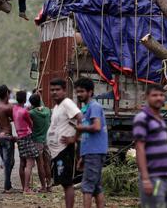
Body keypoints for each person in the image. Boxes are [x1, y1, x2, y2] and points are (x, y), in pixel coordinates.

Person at [134, 84, 167, 208]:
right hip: (152, 178)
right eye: (154, 95)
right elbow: (139, 148)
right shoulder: (142, 118)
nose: (159, 98)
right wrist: (146, 179)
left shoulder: (160, 119)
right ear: (147, 97)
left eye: (161, 95)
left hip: (164, 178)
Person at [47, 78, 82, 208]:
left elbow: (80, 118)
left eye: (57, 90)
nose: (54, 92)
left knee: (67, 183)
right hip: (57, 151)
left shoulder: (67, 103)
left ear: (64, 91)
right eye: (52, 90)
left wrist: (74, 138)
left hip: (65, 150)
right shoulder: (57, 106)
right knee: (63, 182)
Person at [74, 77, 108, 208]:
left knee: (87, 186)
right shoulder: (85, 109)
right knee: (96, 187)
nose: (79, 94)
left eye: (82, 91)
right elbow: (86, 135)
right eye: (77, 92)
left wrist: (79, 128)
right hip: (91, 152)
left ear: (90, 92)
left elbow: (96, 126)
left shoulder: (94, 106)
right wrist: (82, 156)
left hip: (95, 151)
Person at [13, 91, 38, 194]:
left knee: (22, 162)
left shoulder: (14, 109)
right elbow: (31, 124)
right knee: (30, 163)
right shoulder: (25, 112)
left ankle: (24, 187)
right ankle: (27, 189)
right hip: (27, 137)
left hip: (19, 137)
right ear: (24, 100)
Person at [0, 84, 16, 193]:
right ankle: (7, 187)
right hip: (7, 137)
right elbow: (17, 117)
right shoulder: (8, 107)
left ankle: (8, 184)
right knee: (9, 163)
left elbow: (5, 119)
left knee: (8, 162)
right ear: (7, 93)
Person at [29, 93, 51, 192]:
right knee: (47, 164)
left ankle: (43, 187)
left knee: (40, 164)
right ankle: (49, 185)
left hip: (37, 140)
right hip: (46, 140)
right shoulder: (48, 110)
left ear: (32, 103)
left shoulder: (32, 113)